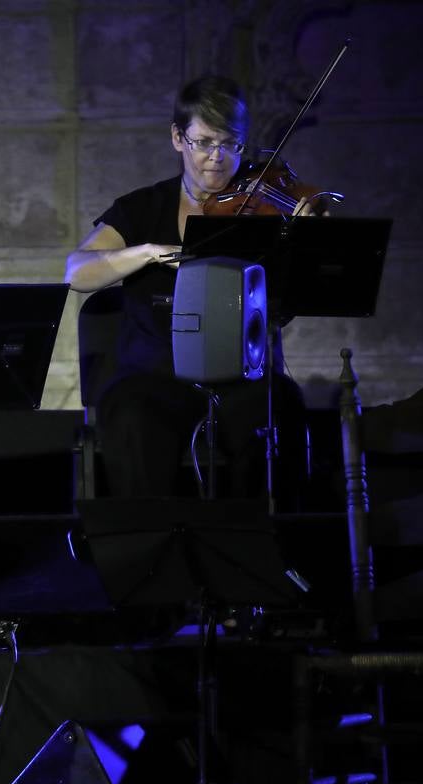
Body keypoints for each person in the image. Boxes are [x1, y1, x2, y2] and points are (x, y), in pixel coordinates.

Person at [64, 74, 308, 503]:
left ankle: (257, 550)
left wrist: (303, 242)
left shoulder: (262, 208)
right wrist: (145, 253)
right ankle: (155, 550)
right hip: (154, 377)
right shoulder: (144, 207)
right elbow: (76, 271)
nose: (217, 158)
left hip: (241, 377)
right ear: (178, 138)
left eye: (230, 144)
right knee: (133, 417)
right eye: (204, 142)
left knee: (278, 404)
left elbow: (289, 302)